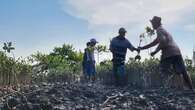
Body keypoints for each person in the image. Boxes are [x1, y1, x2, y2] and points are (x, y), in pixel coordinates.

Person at [138, 16, 193, 90]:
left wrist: (155, 51)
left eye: (152, 23)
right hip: (177, 52)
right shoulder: (163, 30)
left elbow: (163, 42)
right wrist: (142, 48)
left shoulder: (159, 30)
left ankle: (167, 87)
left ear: (156, 23)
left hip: (168, 54)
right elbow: (153, 43)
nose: (152, 25)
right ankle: (190, 89)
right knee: (182, 71)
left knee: (163, 71)